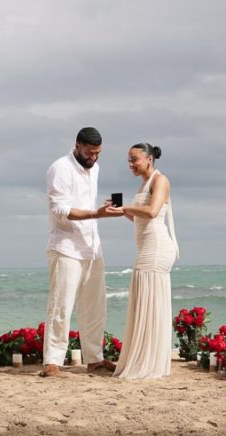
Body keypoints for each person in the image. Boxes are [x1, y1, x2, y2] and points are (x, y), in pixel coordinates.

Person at [41, 127, 122, 377]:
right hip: (66, 246)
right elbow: (60, 210)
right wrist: (96, 213)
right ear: (77, 145)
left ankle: (94, 359)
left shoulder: (94, 168)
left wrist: (101, 209)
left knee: (95, 307)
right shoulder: (60, 168)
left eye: (98, 153)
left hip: (92, 246)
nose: (93, 158)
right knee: (61, 306)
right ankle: (52, 361)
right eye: (89, 152)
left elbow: (86, 205)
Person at [106, 142, 179, 379]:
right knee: (144, 300)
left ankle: (149, 361)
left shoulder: (160, 180)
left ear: (149, 159)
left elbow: (152, 212)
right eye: (128, 160)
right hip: (147, 246)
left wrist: (127, 206)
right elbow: (141, 219)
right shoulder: (144, 183)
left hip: (157, 248)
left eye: (134, 159)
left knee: (150, 299)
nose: (131, 164)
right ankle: (145, 357)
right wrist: (122, 211)